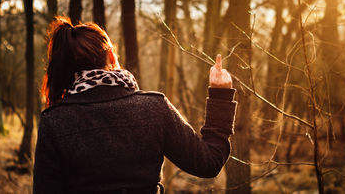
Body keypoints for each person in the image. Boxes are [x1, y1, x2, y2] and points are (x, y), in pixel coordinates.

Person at [33, 17, 237, 194]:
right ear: (112, 56)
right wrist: (220, 95)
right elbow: (208, 163)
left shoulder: (54, 121)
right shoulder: (154, 108)